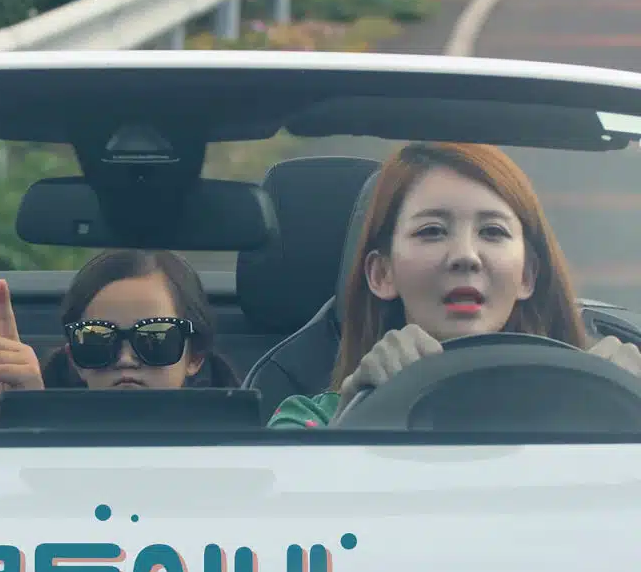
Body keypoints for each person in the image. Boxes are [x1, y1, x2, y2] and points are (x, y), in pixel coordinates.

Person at [268, 141, 641, 428]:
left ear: (528, 275)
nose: (466, 256)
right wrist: (351, 419)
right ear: (382, 273)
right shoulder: (308, 421)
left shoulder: (606, 402)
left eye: (492, 232)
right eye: (432, 231)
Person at [0, 249, 237, 422]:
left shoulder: (252, 452)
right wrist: (24, 416)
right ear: (75, 358)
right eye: (97, 340)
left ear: (195, 355)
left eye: (154, 338)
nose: (126, 359)